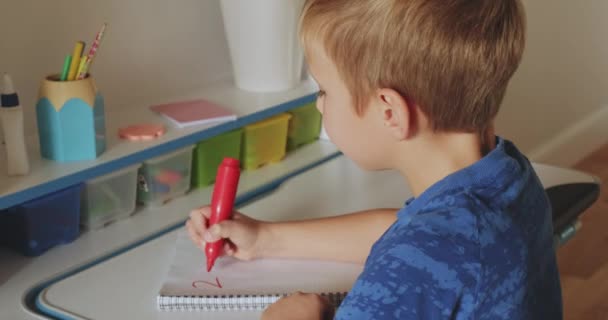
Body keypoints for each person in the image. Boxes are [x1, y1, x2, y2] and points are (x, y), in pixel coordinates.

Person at [186, 0, 563, 318]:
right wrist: (266, 239)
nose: (319, 104)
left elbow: (412, 251)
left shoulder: (413, 270)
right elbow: (402, 234)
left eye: (323, 90)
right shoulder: (507, 176)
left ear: (389, 112)